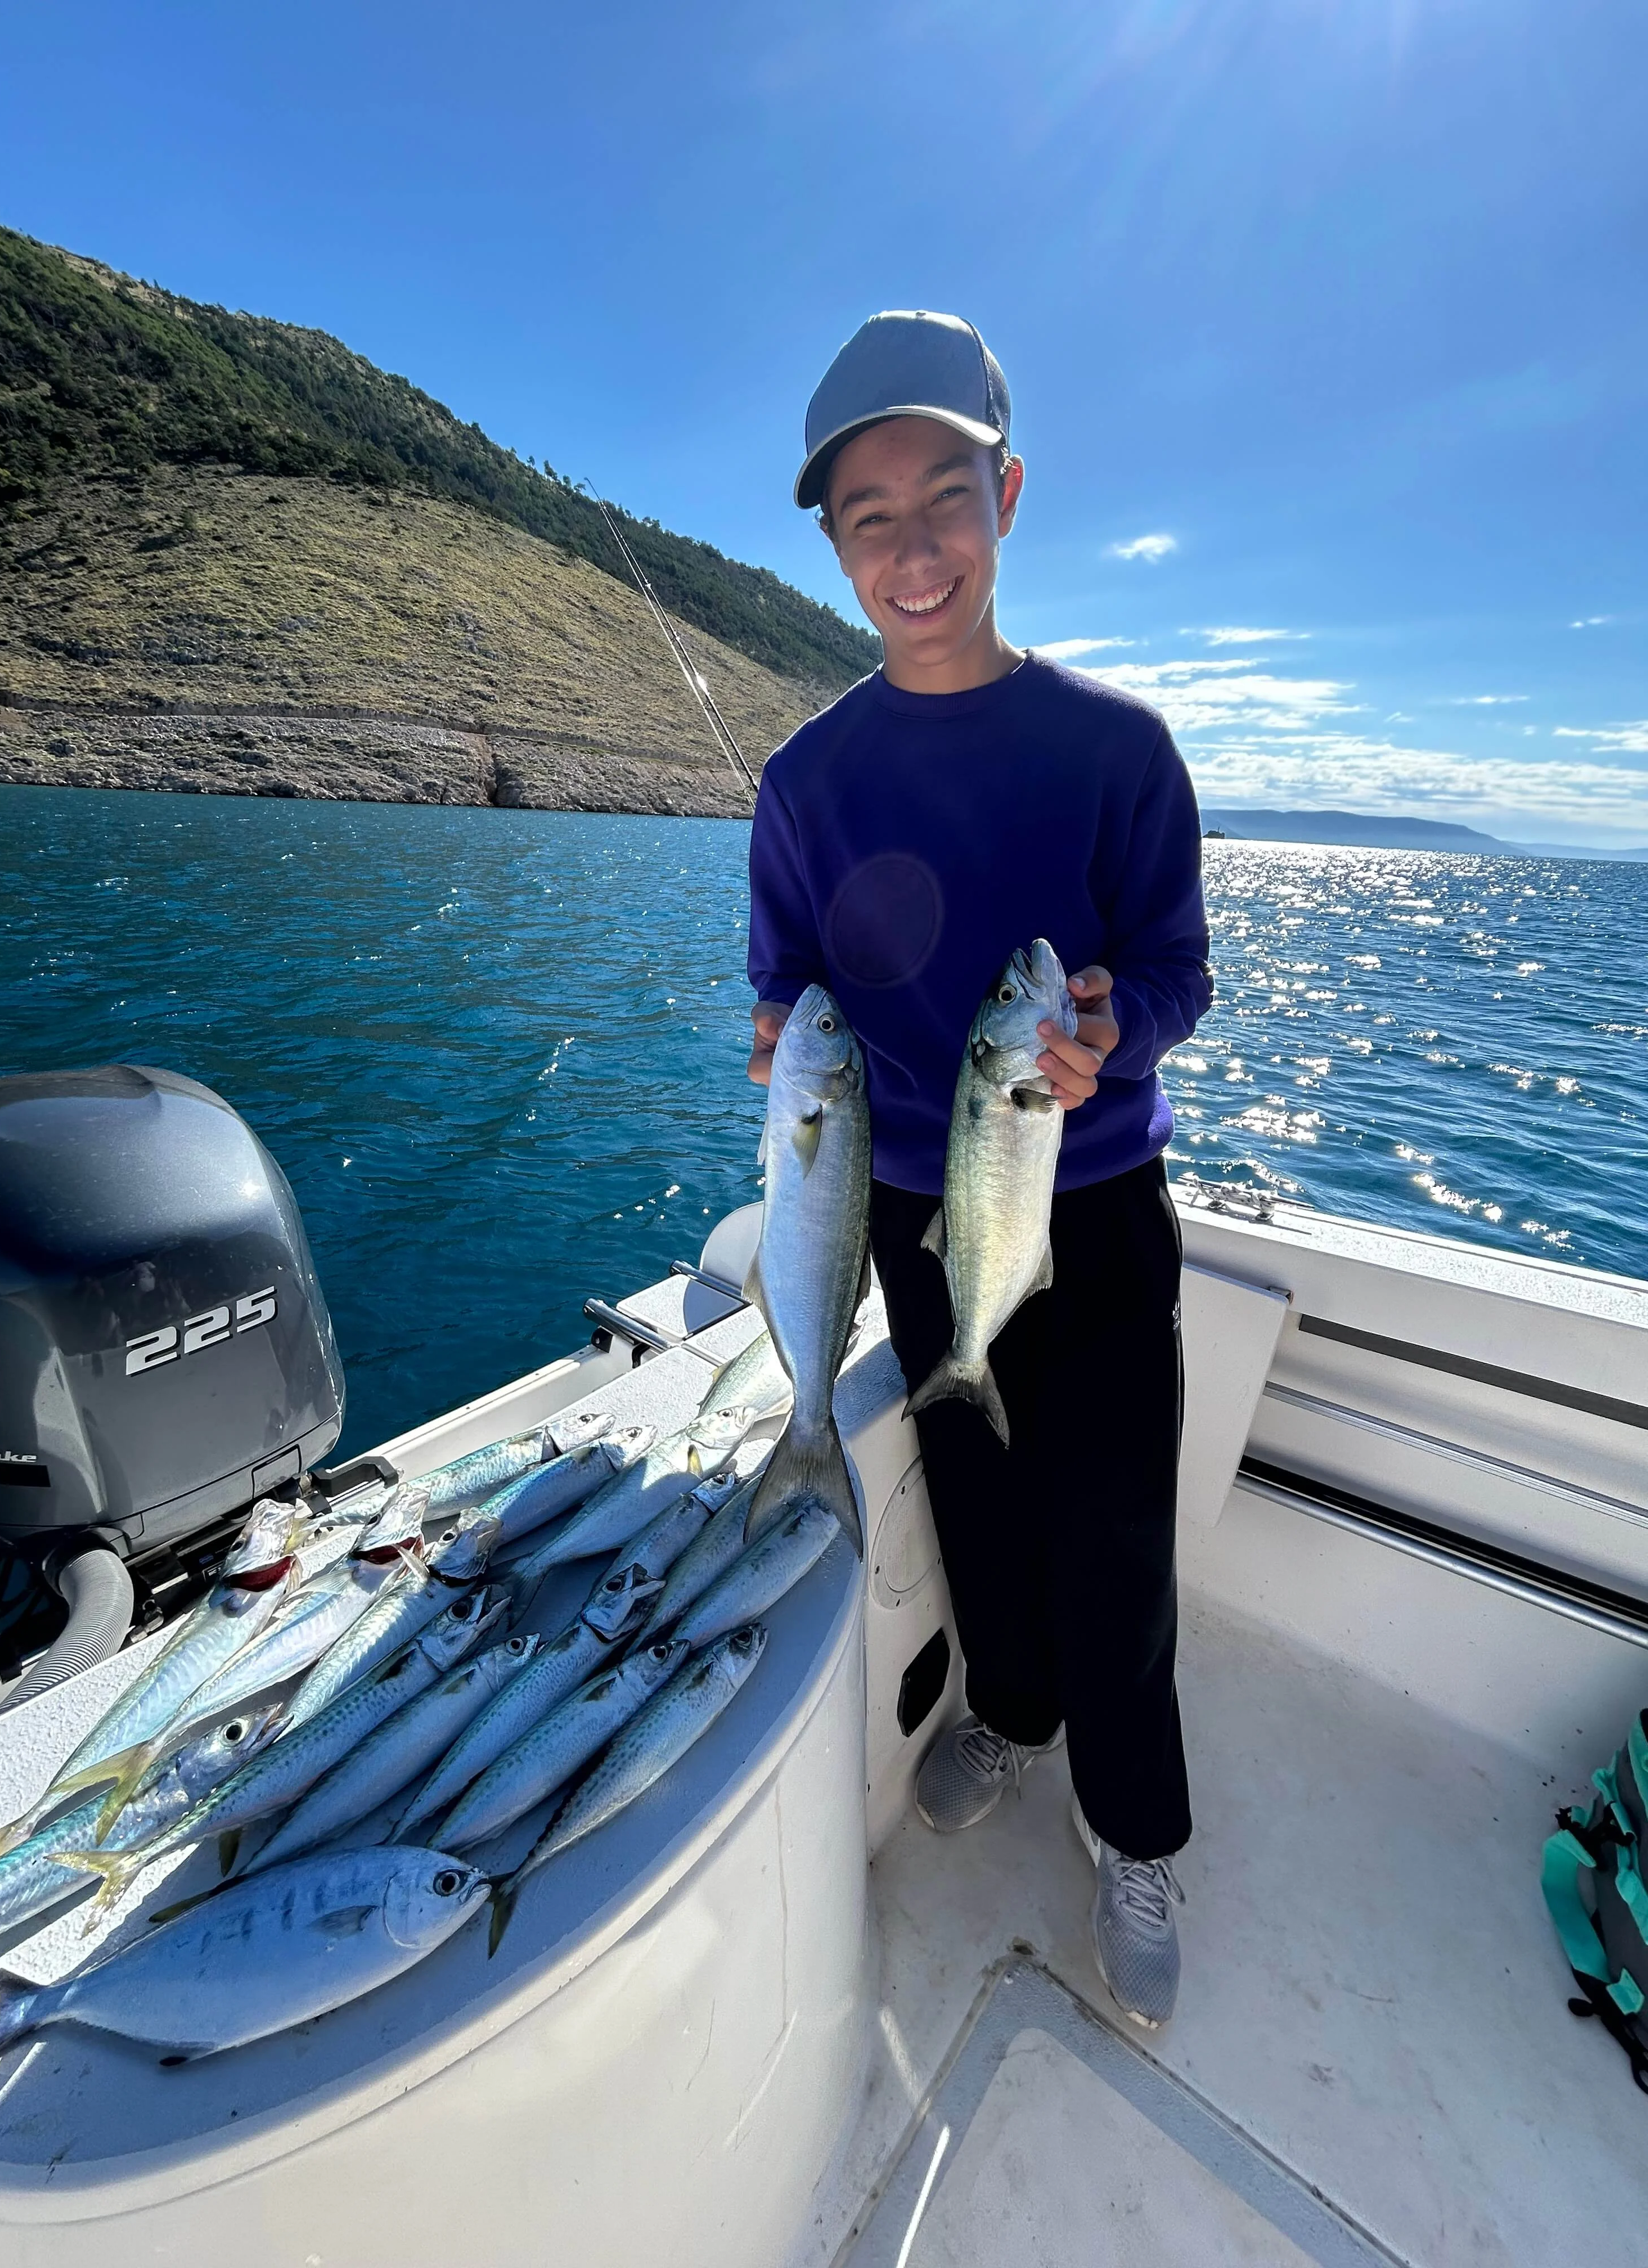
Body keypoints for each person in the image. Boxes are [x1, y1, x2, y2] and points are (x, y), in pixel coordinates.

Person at [744, 310, 1212, 2030]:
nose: (912, 545)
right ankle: (1008, 1714)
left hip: (1092, 1212)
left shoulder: (1117, 749)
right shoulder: (802, 781)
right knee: (973, 1493)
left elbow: (1177, 967)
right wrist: (776, 1040)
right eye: (868, 515)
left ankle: (1139, 1825)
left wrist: (1117, 1034)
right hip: (910, 1219)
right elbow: (781, 982)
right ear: (834, 544)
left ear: (1007, 496)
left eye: (944, 495)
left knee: (1117, 1533)